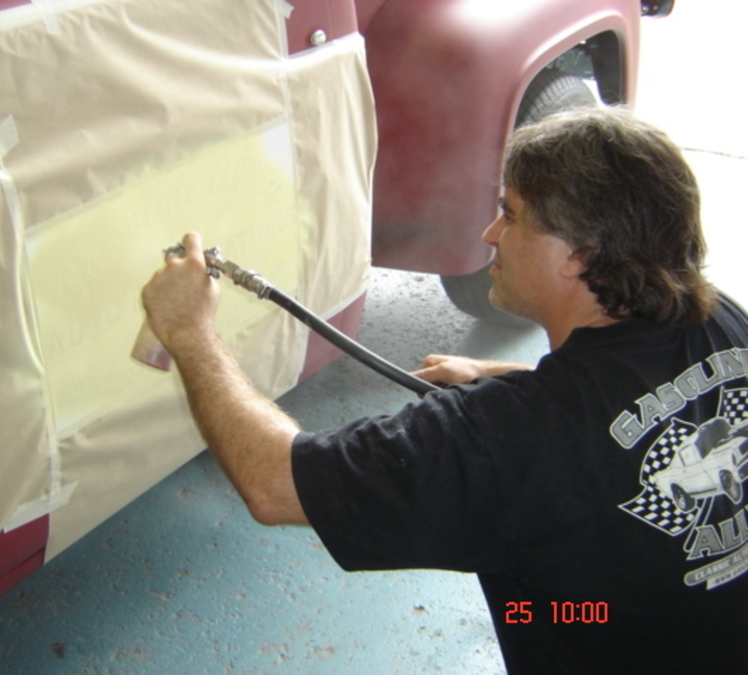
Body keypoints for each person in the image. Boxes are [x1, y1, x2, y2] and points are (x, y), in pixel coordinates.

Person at [139, 108, 748, 674]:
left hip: (603, 634)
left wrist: (191, 331)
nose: (491, 232)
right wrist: (499, 375)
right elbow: (621, 408)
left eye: (511, 213)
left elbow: (275, 485)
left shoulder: (507, 437)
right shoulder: (719, 319)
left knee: (535, 611)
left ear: (579, 255)